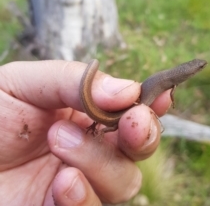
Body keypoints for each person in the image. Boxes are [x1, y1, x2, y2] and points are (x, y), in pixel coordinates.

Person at [0, 60, 171, 205]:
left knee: (133, 125)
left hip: (106, 118)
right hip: (107, 119)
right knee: (131, 124)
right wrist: (102, 131)